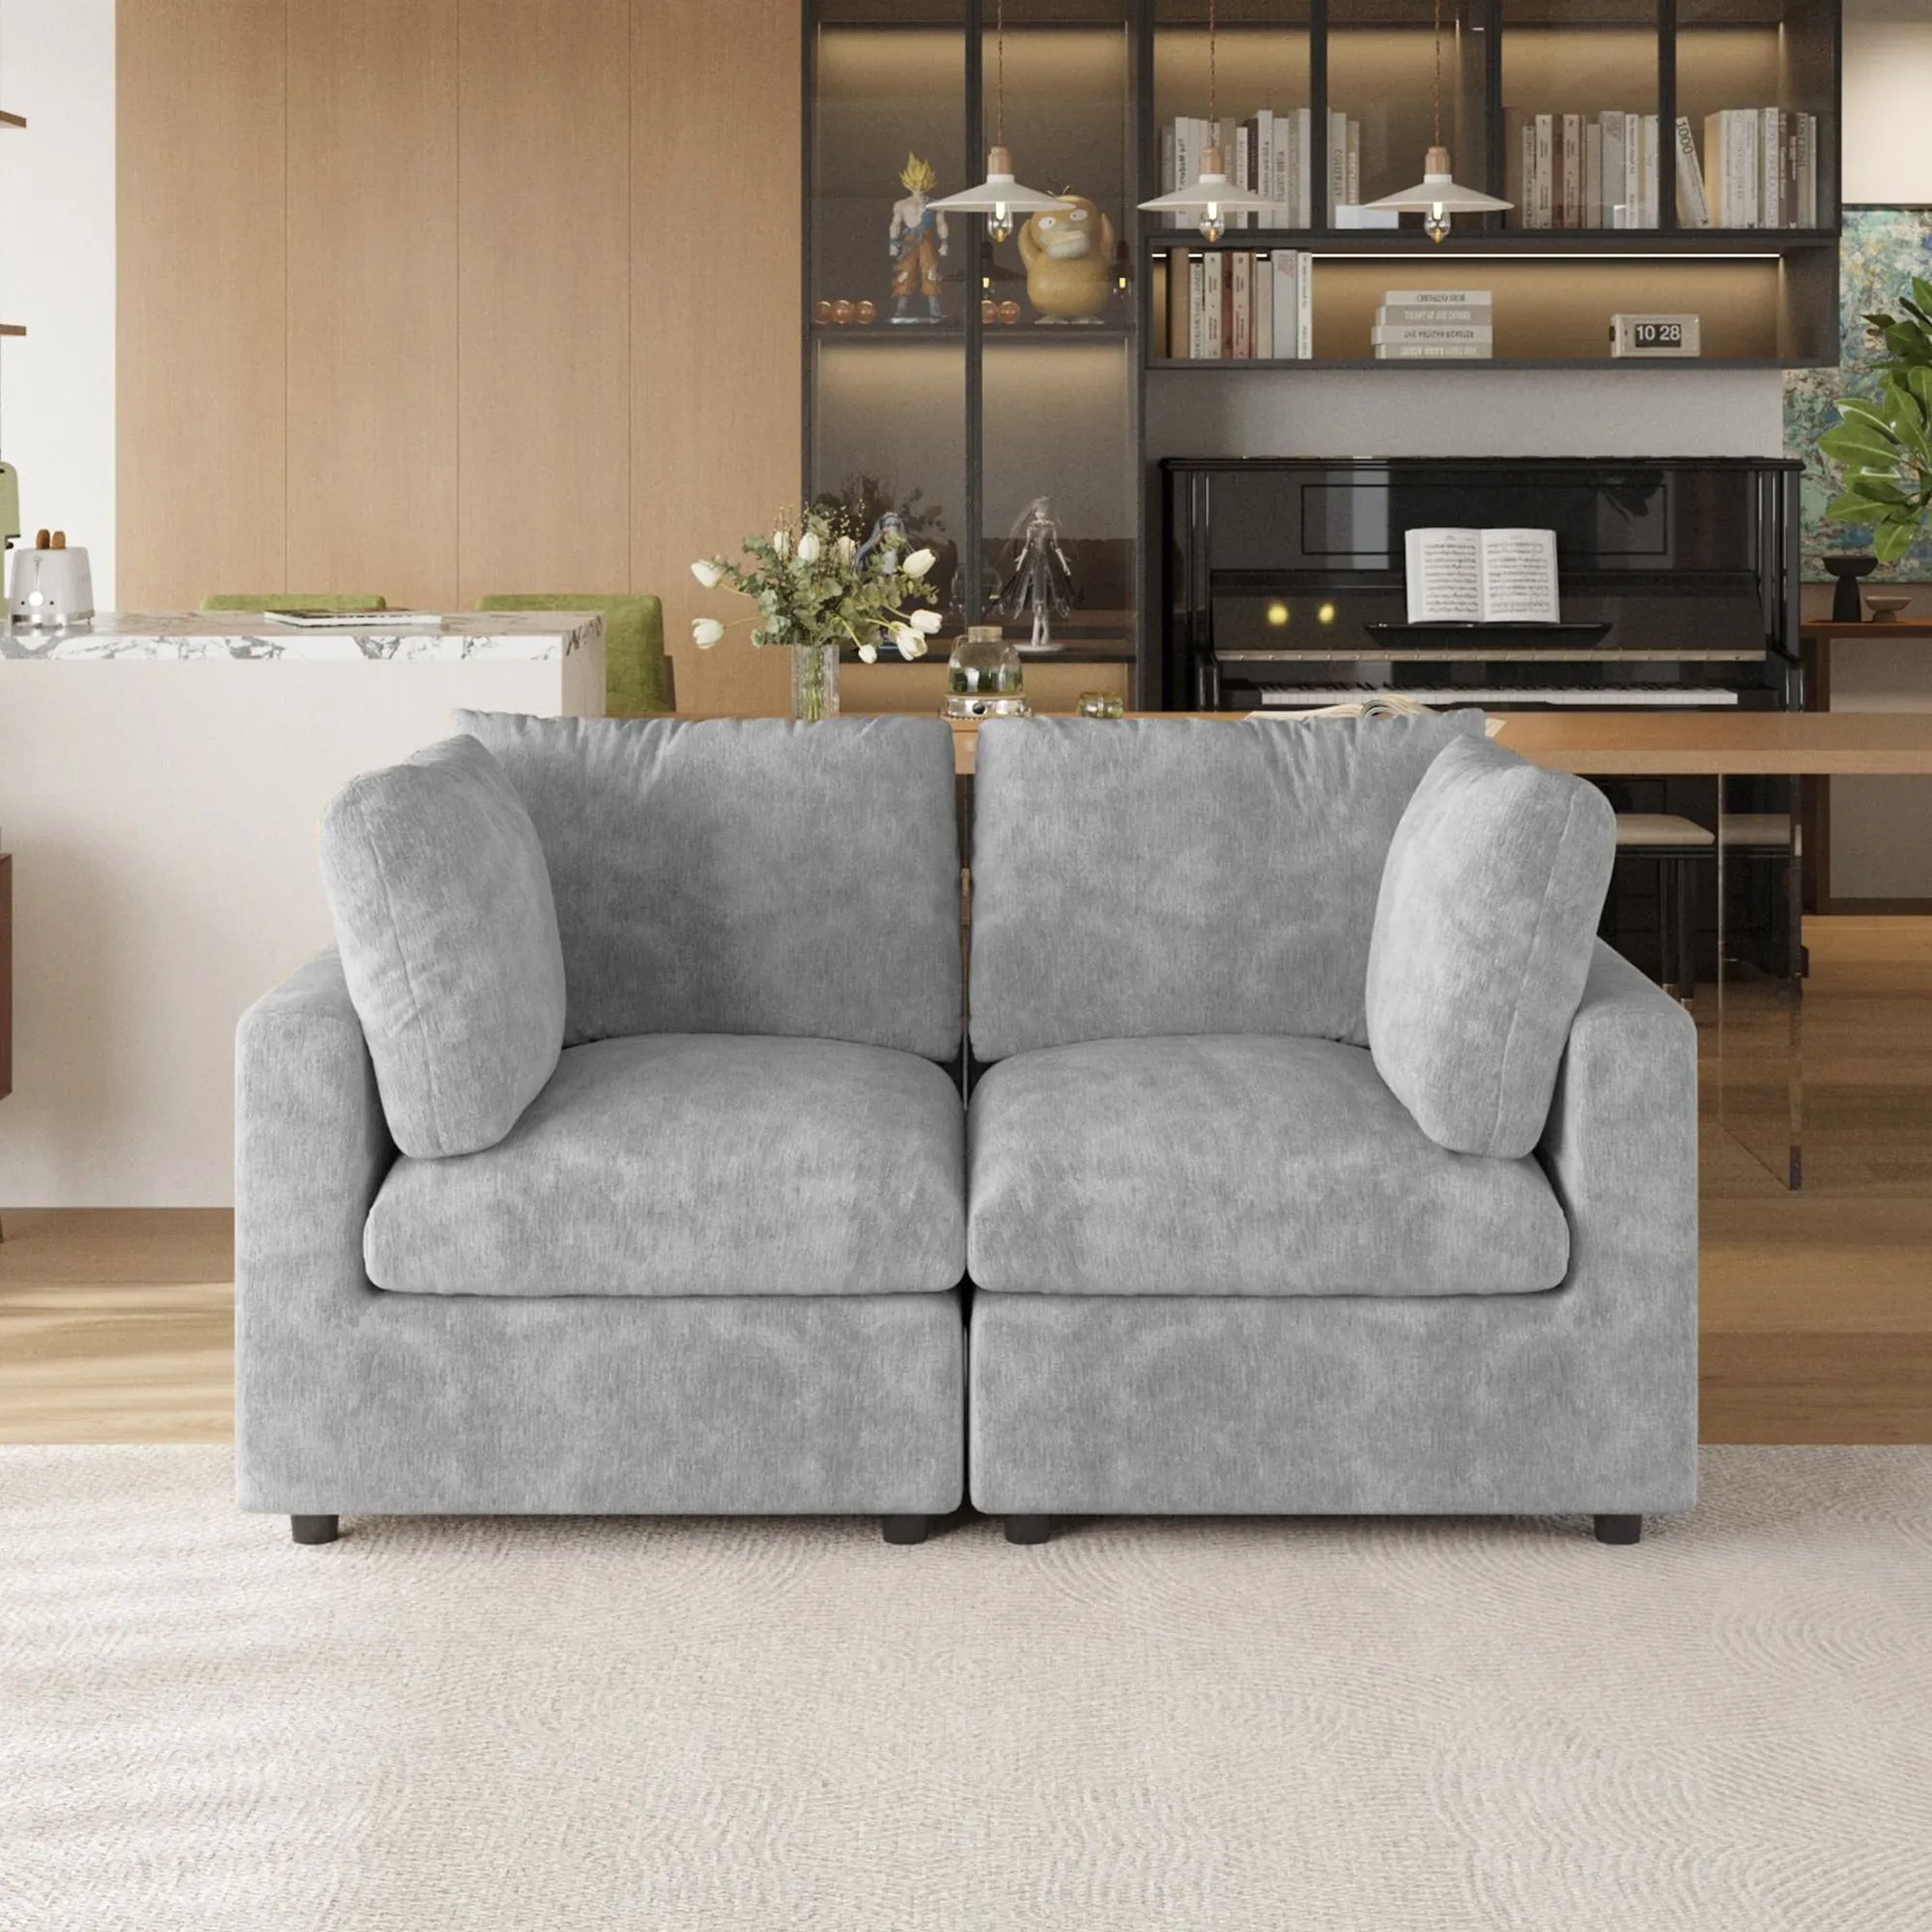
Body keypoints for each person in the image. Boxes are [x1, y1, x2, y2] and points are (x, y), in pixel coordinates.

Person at [889, 154, 948, 325]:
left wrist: (944, 243)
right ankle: (900, 311)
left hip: (926, 239)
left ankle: (935, 311)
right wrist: (893, 243)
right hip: (909, 241)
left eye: (922, 184)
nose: (919, 188)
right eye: (915, 184)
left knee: (930, 271)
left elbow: (941, 224)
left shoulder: (934, 204)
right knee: (905, 272)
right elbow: (895, 225)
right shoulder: (902, 204)